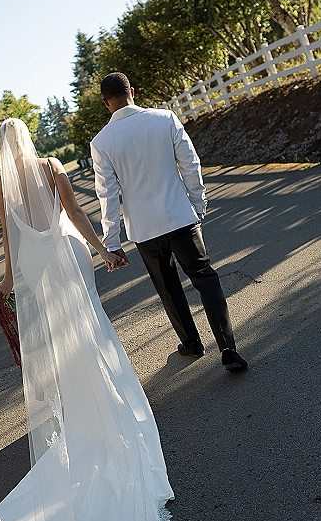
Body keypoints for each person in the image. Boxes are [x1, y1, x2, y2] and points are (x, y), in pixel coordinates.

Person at [0, 118, 190, 521]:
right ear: (30, 141)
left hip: (33, 270)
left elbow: (9, 235)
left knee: (52, 357)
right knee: (92, 343)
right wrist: (104, 250)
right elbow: (75, 218)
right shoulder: (52, 169)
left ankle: (73, 423)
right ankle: (106, 422)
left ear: (3, 151)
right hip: (62, 261)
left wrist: (1, 282)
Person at [90, 72, 247, 372]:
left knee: (168, 287)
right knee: (206, 279)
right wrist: (198, 202)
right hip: (180, 216)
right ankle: (228, 348)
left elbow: (107, 195)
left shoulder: (101, 143)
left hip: (145, 229)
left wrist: (112, 241)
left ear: (105, 103)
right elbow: (190, 163)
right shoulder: (165, 119)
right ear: (132, 91)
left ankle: (191, 343)